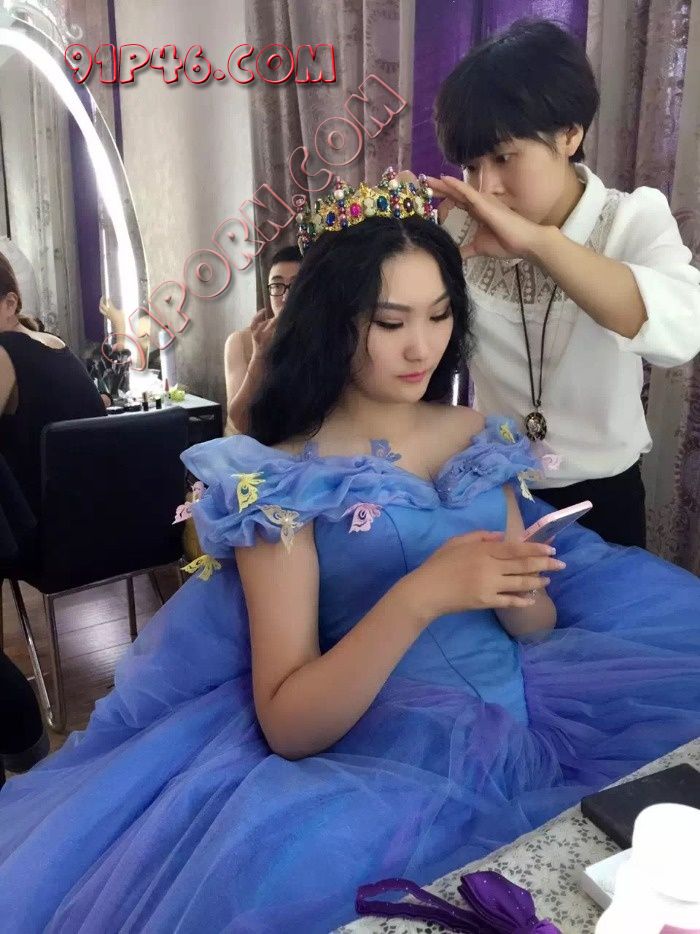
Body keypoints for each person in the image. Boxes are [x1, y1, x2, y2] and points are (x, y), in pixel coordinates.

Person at [0, 176, 698, 934]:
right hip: (378, 765)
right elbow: (290, 725)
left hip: (537, 716)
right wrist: (421, 596)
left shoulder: (473, 433)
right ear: (332, 322)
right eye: (391, 322)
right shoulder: (280, 480)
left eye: (440, 315)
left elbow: (535, 626)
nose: (422, 346)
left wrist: (518, 585)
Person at [423, 18, 700, 548]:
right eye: (471, 166)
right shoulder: (460, 227)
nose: (486, 187)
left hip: (605, 497)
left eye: (504, 157)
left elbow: (681, 333)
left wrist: (538, 243)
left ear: (571, 134)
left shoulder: (630, 220)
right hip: (497, 490)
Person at [0, 252, 106, 518]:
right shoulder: (52, 342)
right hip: (93, 514)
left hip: (39, 524)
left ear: (10, 304)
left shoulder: (5, 350)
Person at [224, 244, 302, 435]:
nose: (285, 297)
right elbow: (240, 422)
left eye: (296, 286)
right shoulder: (241, 342)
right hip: (248, 445)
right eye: (277, 286)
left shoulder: (323, 340)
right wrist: (259, 355)